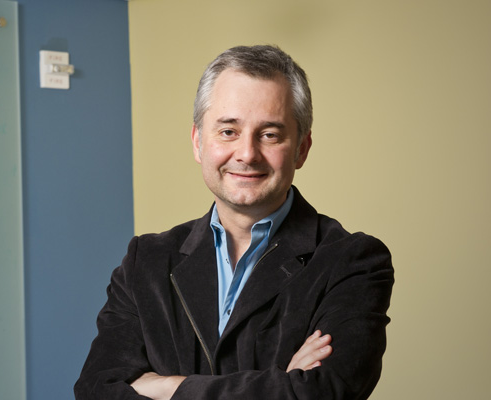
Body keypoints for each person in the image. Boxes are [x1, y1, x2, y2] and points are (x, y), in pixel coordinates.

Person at [74, 45, 394, 400]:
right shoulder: (146, 261)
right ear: (198, 142)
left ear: (301, 149)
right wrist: (279, 383)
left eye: (270, 134)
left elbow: (322, 393)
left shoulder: (352, 262)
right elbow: (96, 391)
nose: (247, 154)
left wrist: (167, 386)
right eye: (228, 131)